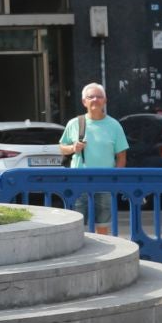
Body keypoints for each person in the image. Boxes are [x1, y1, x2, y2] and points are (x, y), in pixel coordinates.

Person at [60, 82, 129, 235]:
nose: (95, 100)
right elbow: (62, 147)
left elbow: (121, 156)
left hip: (105, 181)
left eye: (99, 97)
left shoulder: (114, 125)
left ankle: (102, 253)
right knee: (75, 223)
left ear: (105, 101)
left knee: (102, 224)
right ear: (84, 101)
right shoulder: (74, 123)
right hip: (79, 181)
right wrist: (73, 148)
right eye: (91, 97)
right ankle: (79, 255)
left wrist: (114, 179)